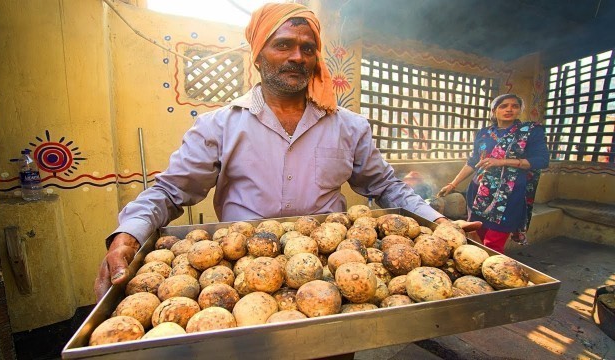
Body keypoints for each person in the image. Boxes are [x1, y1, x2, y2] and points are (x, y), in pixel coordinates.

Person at [94, 2, 480, 301]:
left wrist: (437, 221)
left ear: (315, 58)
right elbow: (169, 192)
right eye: (283, 45)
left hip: (332, 273)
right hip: (243, 272)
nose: (297, 56)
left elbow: (387, 188)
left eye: (307, 48)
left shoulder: (349, 126)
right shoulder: (219, 125)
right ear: (259, 56)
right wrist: (127, 236)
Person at [437, 94, 549, 253]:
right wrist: (452, 184)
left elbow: (542, 160)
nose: (509, 109)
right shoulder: (483, 133)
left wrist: (503, 161)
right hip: (479, 193)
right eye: (503, 106)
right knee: (476, 237)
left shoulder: (529, 131)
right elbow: (473, 161)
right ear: (494, 110)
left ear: (519, 110)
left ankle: (493, 271)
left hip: (509, 195)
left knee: (493, 244)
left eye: (514, 106)